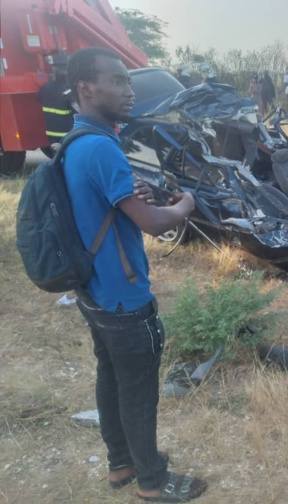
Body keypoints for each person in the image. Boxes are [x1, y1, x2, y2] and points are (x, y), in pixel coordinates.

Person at [64, 47, 207, 502]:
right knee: (139, 392)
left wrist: (133, 193)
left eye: (129, 82)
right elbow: (153, 222)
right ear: (87, 88)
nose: (130, 91)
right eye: (119, 81)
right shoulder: (103, 148)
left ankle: (120, 466)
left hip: (95, 292)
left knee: (111, 380)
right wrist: (184, 205)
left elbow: (108, 203)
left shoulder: (76, 141)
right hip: (124, 299)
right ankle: (152, 481)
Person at [36, 65, 75, 149]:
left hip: (51, 130)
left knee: (56, 153)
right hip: (65, 130)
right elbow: (74, 107)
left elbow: (38, 98)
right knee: (67, 153)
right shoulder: (67, 90)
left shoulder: (46, 87)